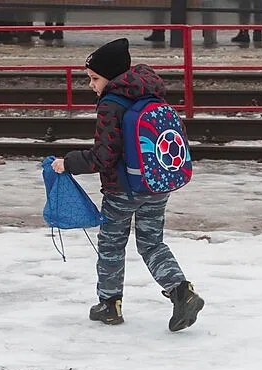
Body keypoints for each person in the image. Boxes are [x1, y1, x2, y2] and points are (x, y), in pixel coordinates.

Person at [50, 38, 205, 331]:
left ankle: (109, 305)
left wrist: (68, 163)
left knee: (111, 244)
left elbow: (103, 156)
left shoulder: (111, 103)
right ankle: (182, 292)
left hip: (121, 189)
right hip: (156, 184)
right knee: (152, 243)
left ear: (110, 76)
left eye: (94, 78)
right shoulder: (151, 92)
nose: (91, 85)